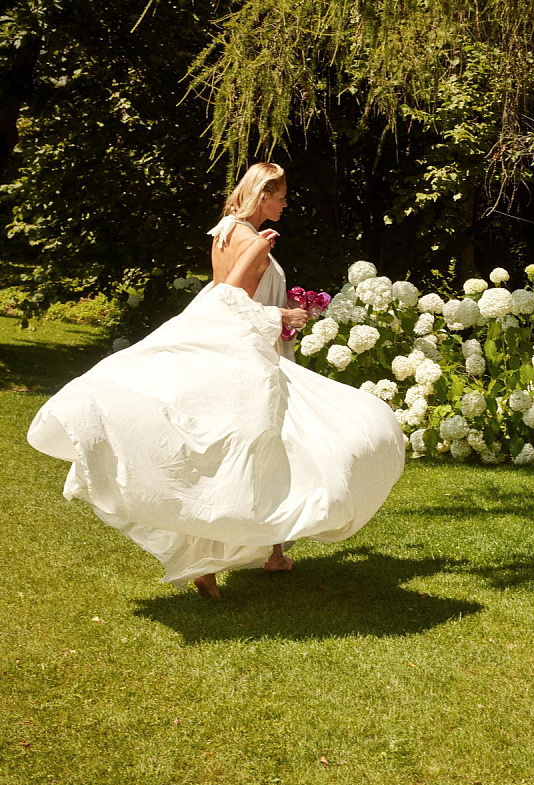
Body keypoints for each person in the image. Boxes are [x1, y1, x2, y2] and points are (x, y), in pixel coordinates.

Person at [27, 163, 406, 599]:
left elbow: (220, 292)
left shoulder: (225, 231)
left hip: (241, 349)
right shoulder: (254, 241)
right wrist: (281, 314)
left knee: (272, 446)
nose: (286, 204)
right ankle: (229, 557)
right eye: (281, 196)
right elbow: (228, 300)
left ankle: (268, 554)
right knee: (296, 441)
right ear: (263, 196)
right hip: (250, 355)